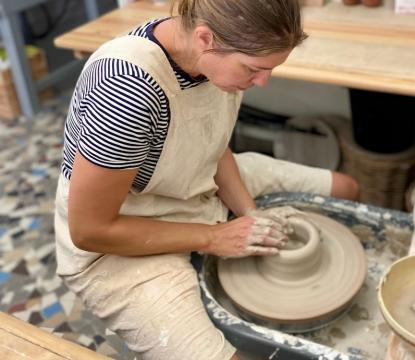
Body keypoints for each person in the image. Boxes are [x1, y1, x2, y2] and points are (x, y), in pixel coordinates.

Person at [54, 0, 360, 359]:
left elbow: (209, 143)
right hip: (118, 238)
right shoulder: (127, 90)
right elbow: (89, 230)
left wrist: (249, 212)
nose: (262, 82)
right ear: (205, 38)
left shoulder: (208, 49)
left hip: (192, 181)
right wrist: (214, 237)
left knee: (345, 188)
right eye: (254, 69)